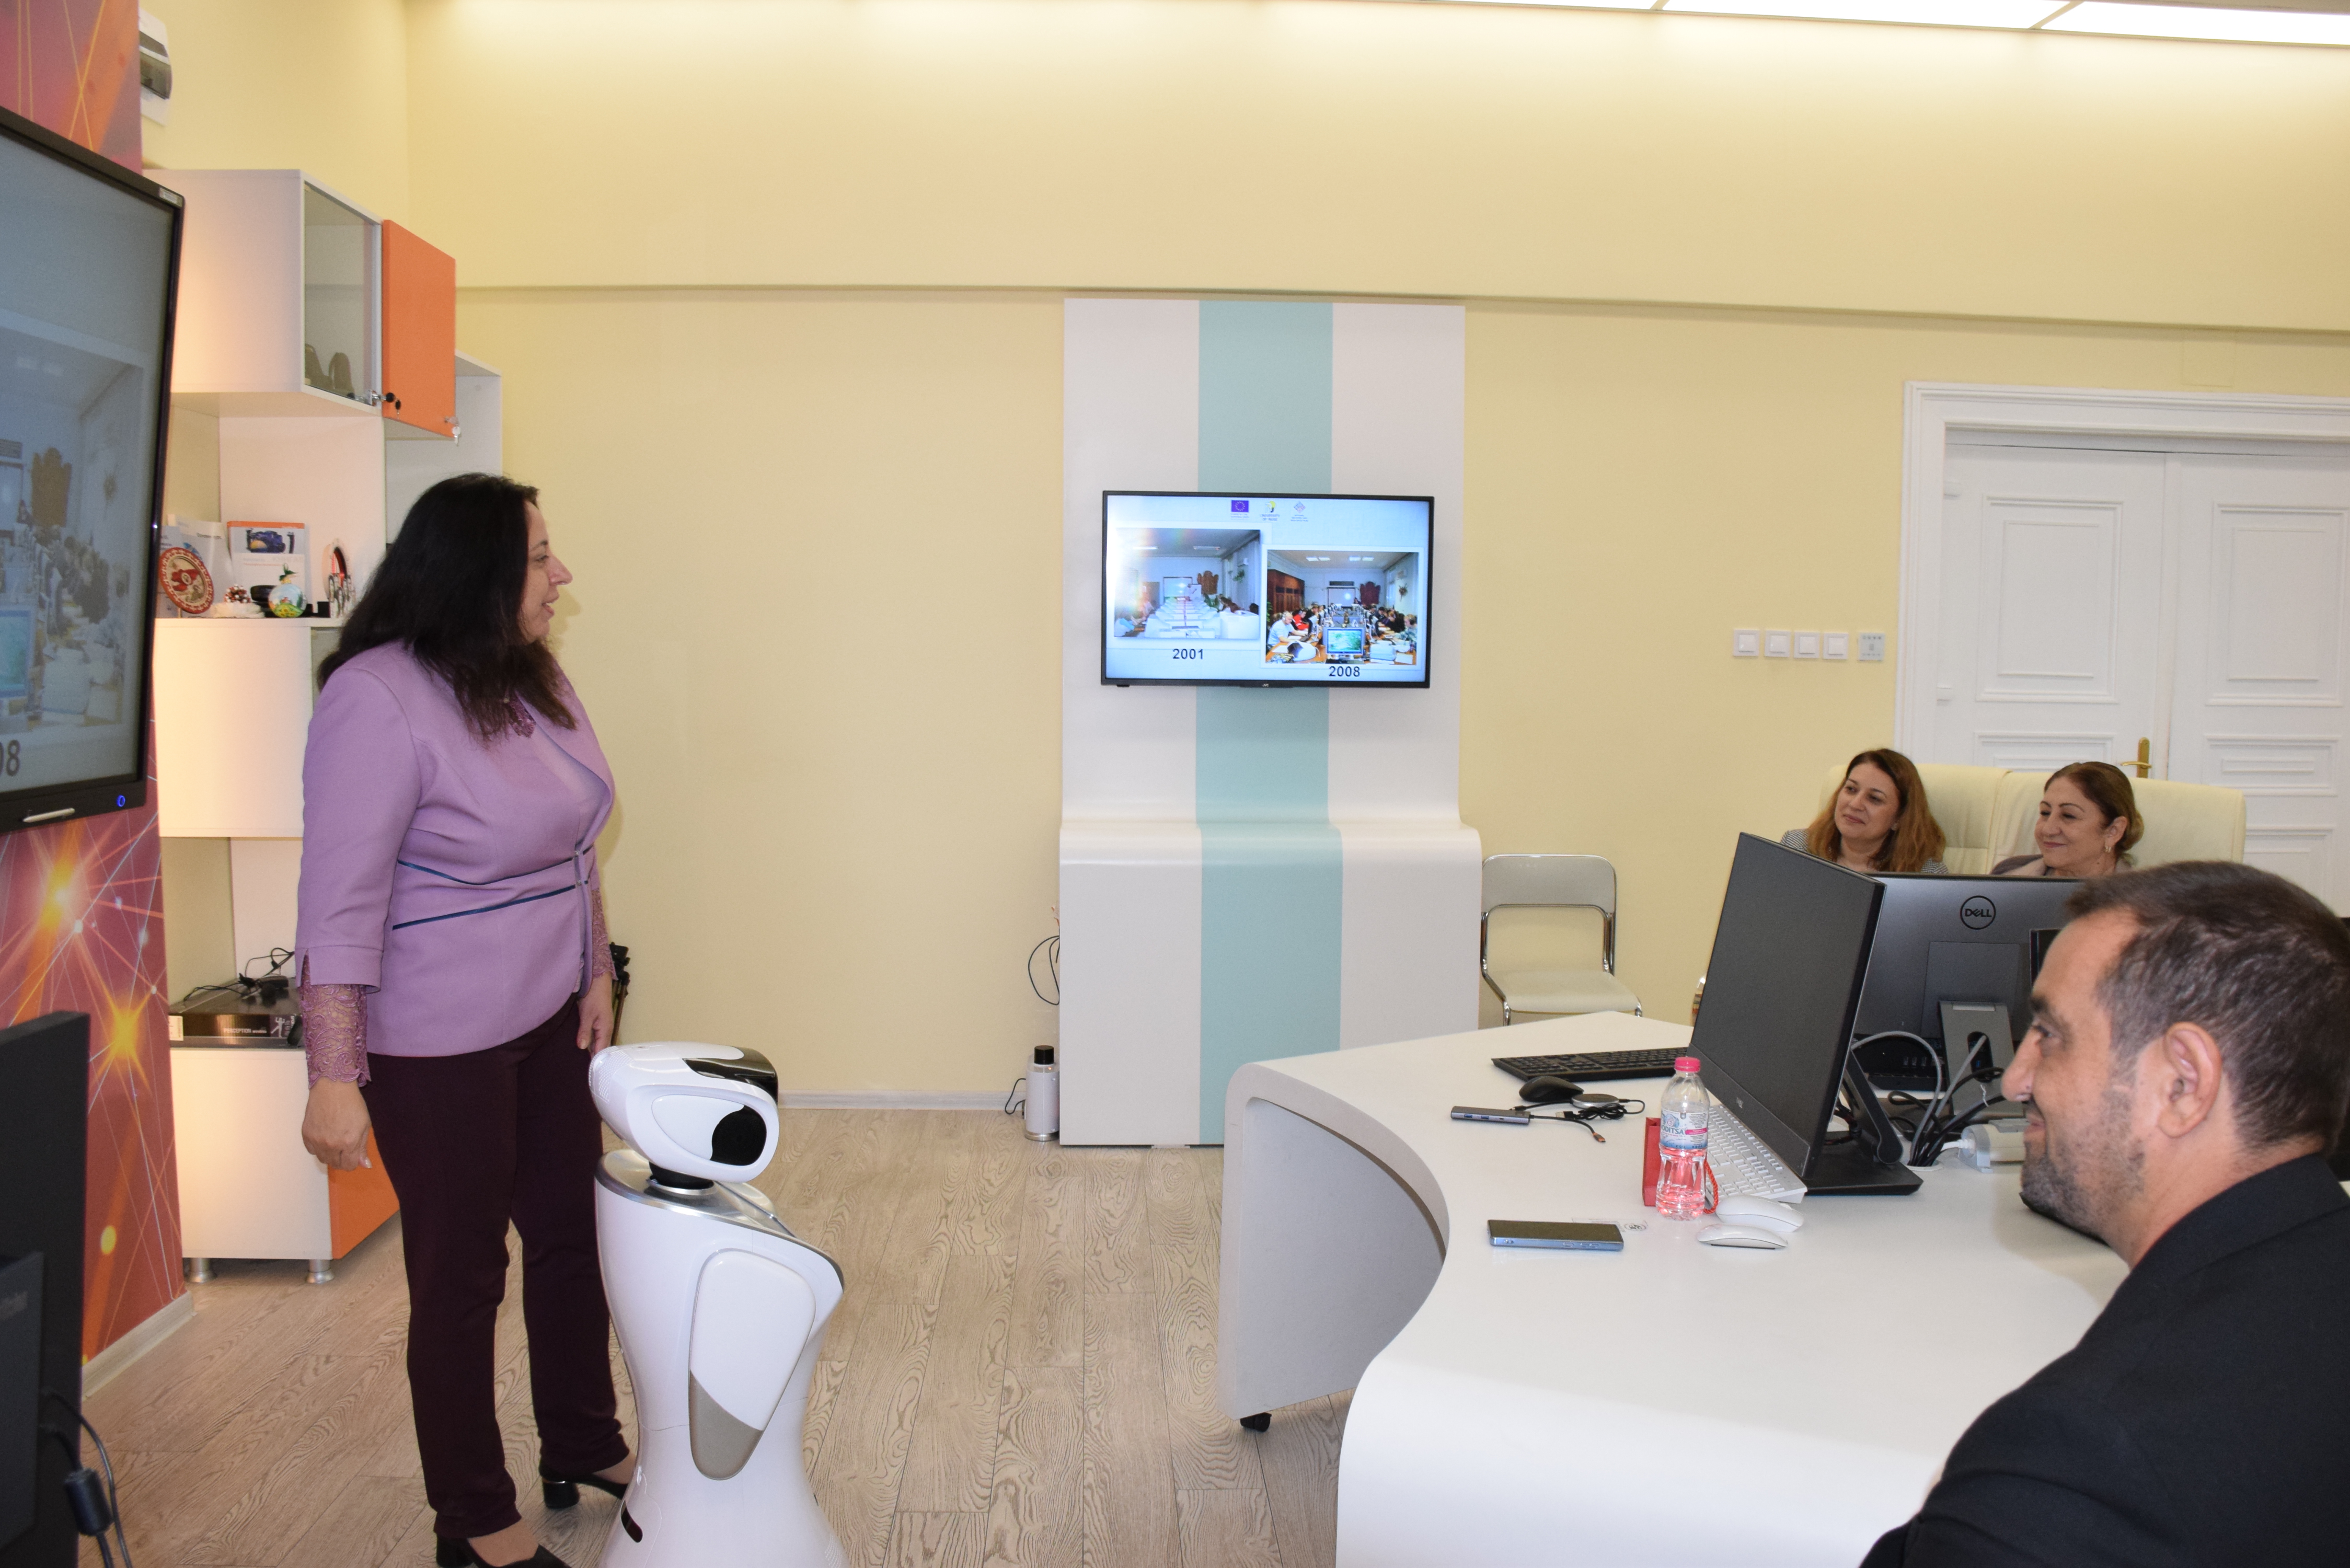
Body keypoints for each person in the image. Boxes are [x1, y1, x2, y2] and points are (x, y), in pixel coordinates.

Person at [295, 475, 628, 1568]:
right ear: (476, 571)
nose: (560, 574)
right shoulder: (375, 697)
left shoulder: (528, 674)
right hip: (435, 1042)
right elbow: (337, 902)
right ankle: (474, 1517)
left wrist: (594, 970)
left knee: (573, 1235)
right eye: (538, 557)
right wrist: (332, 1073)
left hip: (547, 1013)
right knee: (461, 1274)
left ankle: (583, 1439)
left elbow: (576, 838)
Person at [1861, 861, 2350, 1567]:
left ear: (2180, 1083)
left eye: (2049, 1034)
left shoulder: (2079, 1459)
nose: (2014, 1078)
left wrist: (1977, 1497)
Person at [1784, 748, 1948, 874]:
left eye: (1874, 798)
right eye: (1851, 789)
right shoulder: (1797, 848)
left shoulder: (1925, 874)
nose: (1855, 804)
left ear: (1900, 818)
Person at [1994, 760, 2140, 879]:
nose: (2048, 830)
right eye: (2045, 813)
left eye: (2068, 816)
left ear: (2114, 831)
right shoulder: (2005, 878)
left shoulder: (2145, 902)